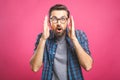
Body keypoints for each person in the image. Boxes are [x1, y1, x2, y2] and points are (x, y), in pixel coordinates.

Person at [30, 4, 93, 80]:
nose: (59, 23)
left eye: (63, 19)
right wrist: (43, 39)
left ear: (68, 21)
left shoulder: (79, 35)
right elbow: (34, 67)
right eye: (54, 19)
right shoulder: (42, 37)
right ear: (49, 21)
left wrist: (73, 39)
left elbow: (88, 66)